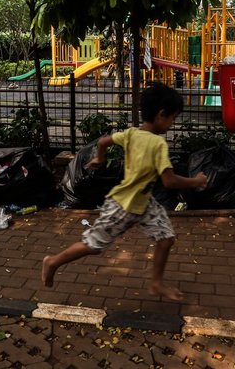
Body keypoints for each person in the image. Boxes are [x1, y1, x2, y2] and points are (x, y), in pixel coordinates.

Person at [42, 83, 208, 301]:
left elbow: (103, 142)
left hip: (144, 204)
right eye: (173, 118)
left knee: (166, 239)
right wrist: (195, 181)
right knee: (93, 245)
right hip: (122, 206)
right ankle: (52, 261)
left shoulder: (131, 134)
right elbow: (169, 181)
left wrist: (99, 158)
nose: (172, 123)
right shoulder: (158, 145)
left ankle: (156, 283)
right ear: (161, 115)